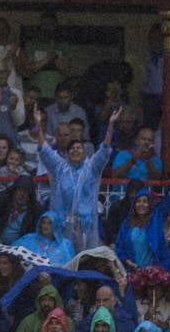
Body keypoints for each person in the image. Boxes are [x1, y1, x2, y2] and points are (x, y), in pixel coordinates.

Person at [32, 105, 120, 250]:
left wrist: (110, 124)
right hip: (62, 223)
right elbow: (45, 150)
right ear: (67, 153)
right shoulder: (60, 168)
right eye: (72, 148)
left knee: (84, 260)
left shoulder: (92, 168)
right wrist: (39, 125)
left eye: (79, 148)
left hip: (85, 225)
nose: (75, 150)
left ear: (85, 152)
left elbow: (104, 149)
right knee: (63, 257)